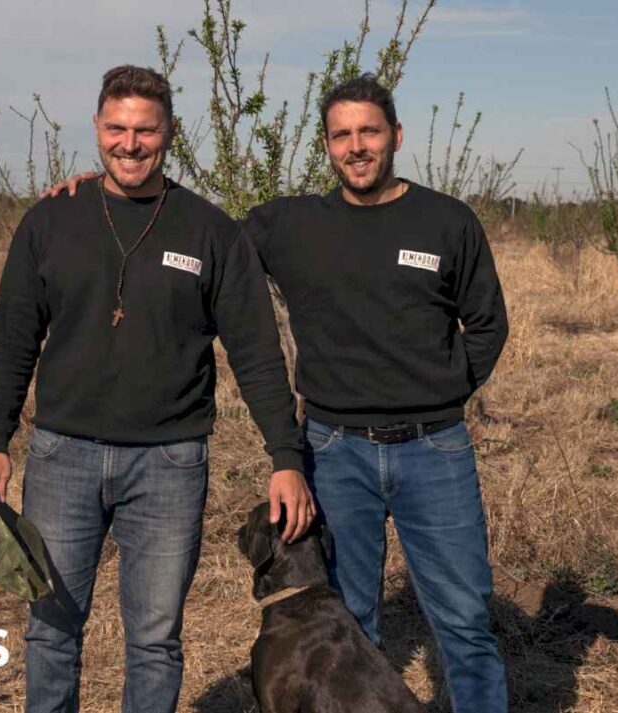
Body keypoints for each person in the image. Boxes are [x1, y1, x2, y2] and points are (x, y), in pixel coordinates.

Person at [51, 73, 509, 713]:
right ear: (326, 146)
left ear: (396, 136)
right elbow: (192, 233)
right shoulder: (289, 224)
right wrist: (93, 197)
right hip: (333, 453)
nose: (356, 147)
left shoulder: (447, 221)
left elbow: (489, 324)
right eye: (341, 135)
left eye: (369, 132)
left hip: (435, 451)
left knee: (463, 621)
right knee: (345, 628)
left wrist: (441, 386)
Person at [0, 65, 313, 713]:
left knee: (155, 639)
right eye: (117, 128)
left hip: (169, 464)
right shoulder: (51, 220)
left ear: (169, 134)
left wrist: (284, 455)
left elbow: (257, 353)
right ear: (98, 129)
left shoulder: (209, 231)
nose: (130, 144)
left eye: (145, 131)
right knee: (50, 628)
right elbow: (12, 337)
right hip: (60, 456)